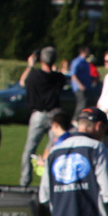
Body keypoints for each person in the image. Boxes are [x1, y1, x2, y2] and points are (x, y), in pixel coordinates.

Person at [19, 47, 69, 186]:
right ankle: (51, 179)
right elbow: (61, 78)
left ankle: (25, 180)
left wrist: (30, 65)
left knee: (30, 149)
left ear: (40, 60)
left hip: (38, 115)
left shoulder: (34, 76)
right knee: (54, 148)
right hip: (55, 116)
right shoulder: (58, 77)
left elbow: (22, 81)